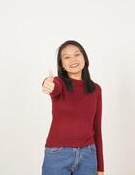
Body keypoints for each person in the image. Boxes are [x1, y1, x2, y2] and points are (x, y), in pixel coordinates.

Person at [41, 40, 104, 175]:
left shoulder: (96, 90)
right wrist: (47, 83)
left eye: (77, 55)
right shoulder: (59, 83)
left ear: (84, 58)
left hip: (88, 156)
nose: (73, 60)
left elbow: (97, 128)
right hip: (58, 155)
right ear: (62, 65)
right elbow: (53, 86)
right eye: (67, 57)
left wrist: (100, 167)